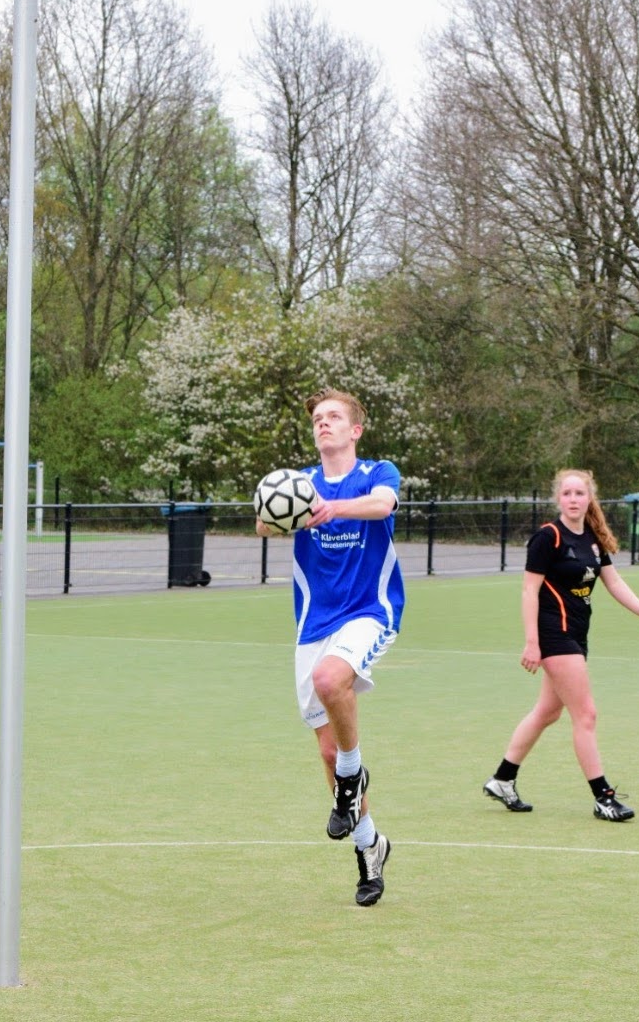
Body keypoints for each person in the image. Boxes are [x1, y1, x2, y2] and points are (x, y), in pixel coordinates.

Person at [256, 388, 405, 905]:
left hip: (369, 609)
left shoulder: (378, 473)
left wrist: (330, 508)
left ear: (354, 430)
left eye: (334, 416)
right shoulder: (299, 484)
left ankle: (351, 771)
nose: (324, 423)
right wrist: (287, 508)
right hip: (314, 621)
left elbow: (383, 505)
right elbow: (263, 521)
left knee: (329, 680)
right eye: (318, 418)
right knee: (326, 747)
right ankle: (370, 847)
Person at [484, 468, 639, 821]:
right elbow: (529, 591)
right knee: (586, 715)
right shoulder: (548, 537)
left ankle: (503, 779)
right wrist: (532, 643)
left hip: (577, 635)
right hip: (555, 635)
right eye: (567, 493)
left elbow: (614, 583)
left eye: (579, 493)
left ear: (589, 498)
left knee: (547, 712)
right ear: (558, 498)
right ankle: (603, 797)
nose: (573, 499)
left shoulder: (593, 540)